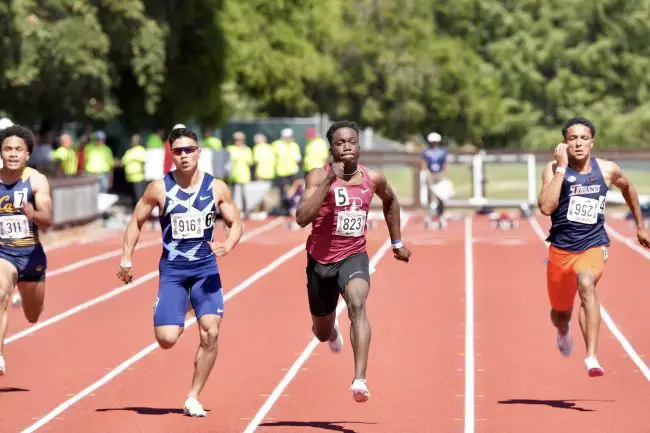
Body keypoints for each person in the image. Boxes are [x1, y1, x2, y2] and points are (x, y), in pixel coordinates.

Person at [116, 126, 243, 416]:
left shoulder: (216, 187)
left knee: (210, 333)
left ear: (199, 152)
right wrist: (126, 259)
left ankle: (193, 397)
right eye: (178, 151)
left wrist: (229, 244)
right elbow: (136, 221)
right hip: (173, 271)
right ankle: (180, 305)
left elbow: (236, 222)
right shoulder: (159, 188)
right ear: (171, 155)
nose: (184, 156)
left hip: (206, 270)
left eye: (189, 150)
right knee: (166, 340)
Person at [295, 120, 412, 402]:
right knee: (321, 333)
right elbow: (301, 218)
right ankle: (330, 330)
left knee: (358, 304)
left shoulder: (374, 178)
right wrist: (326, 183)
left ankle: (360, 379)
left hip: (353, 255)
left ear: (359, 146)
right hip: (320, 261)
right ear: (331, 148)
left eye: (351, 141)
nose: (346, 146)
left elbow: (390, 201)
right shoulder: (316, 176)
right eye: (339, 143)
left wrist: (396, 242)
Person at [538, 116, 650, 377]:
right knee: (560, 313)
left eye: (583, 138)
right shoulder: (553, 169)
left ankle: (591, 357)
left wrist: (640, 225)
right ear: (564, 143)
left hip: (593, 244)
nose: (578, 143)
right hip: (560, 252)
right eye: (572, 138)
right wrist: (562, 170)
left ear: (592, 142)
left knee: (586, 282)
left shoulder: (607, 170)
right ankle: (563, 330)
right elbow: (545, 207)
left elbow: (629, 188)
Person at [0, 124, 53, 375]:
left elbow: (48, 219)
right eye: (7, 149)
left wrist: (33, 213)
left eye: (18, 150)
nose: (12, 154)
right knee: (0, 295)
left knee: (33, 316)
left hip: (31, 257)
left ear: (27, 154)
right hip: (4, 254)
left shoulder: (35, 180)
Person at [420, 132, 453, 222]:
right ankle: (429, 214)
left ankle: (441, 214)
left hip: (440, 174)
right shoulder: (426, 151)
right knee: (430, 195)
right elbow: (424, 163)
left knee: (441, 195)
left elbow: (445, 164)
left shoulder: (442, 151)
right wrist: (424, 173)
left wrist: (448, 176)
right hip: (430, 173)